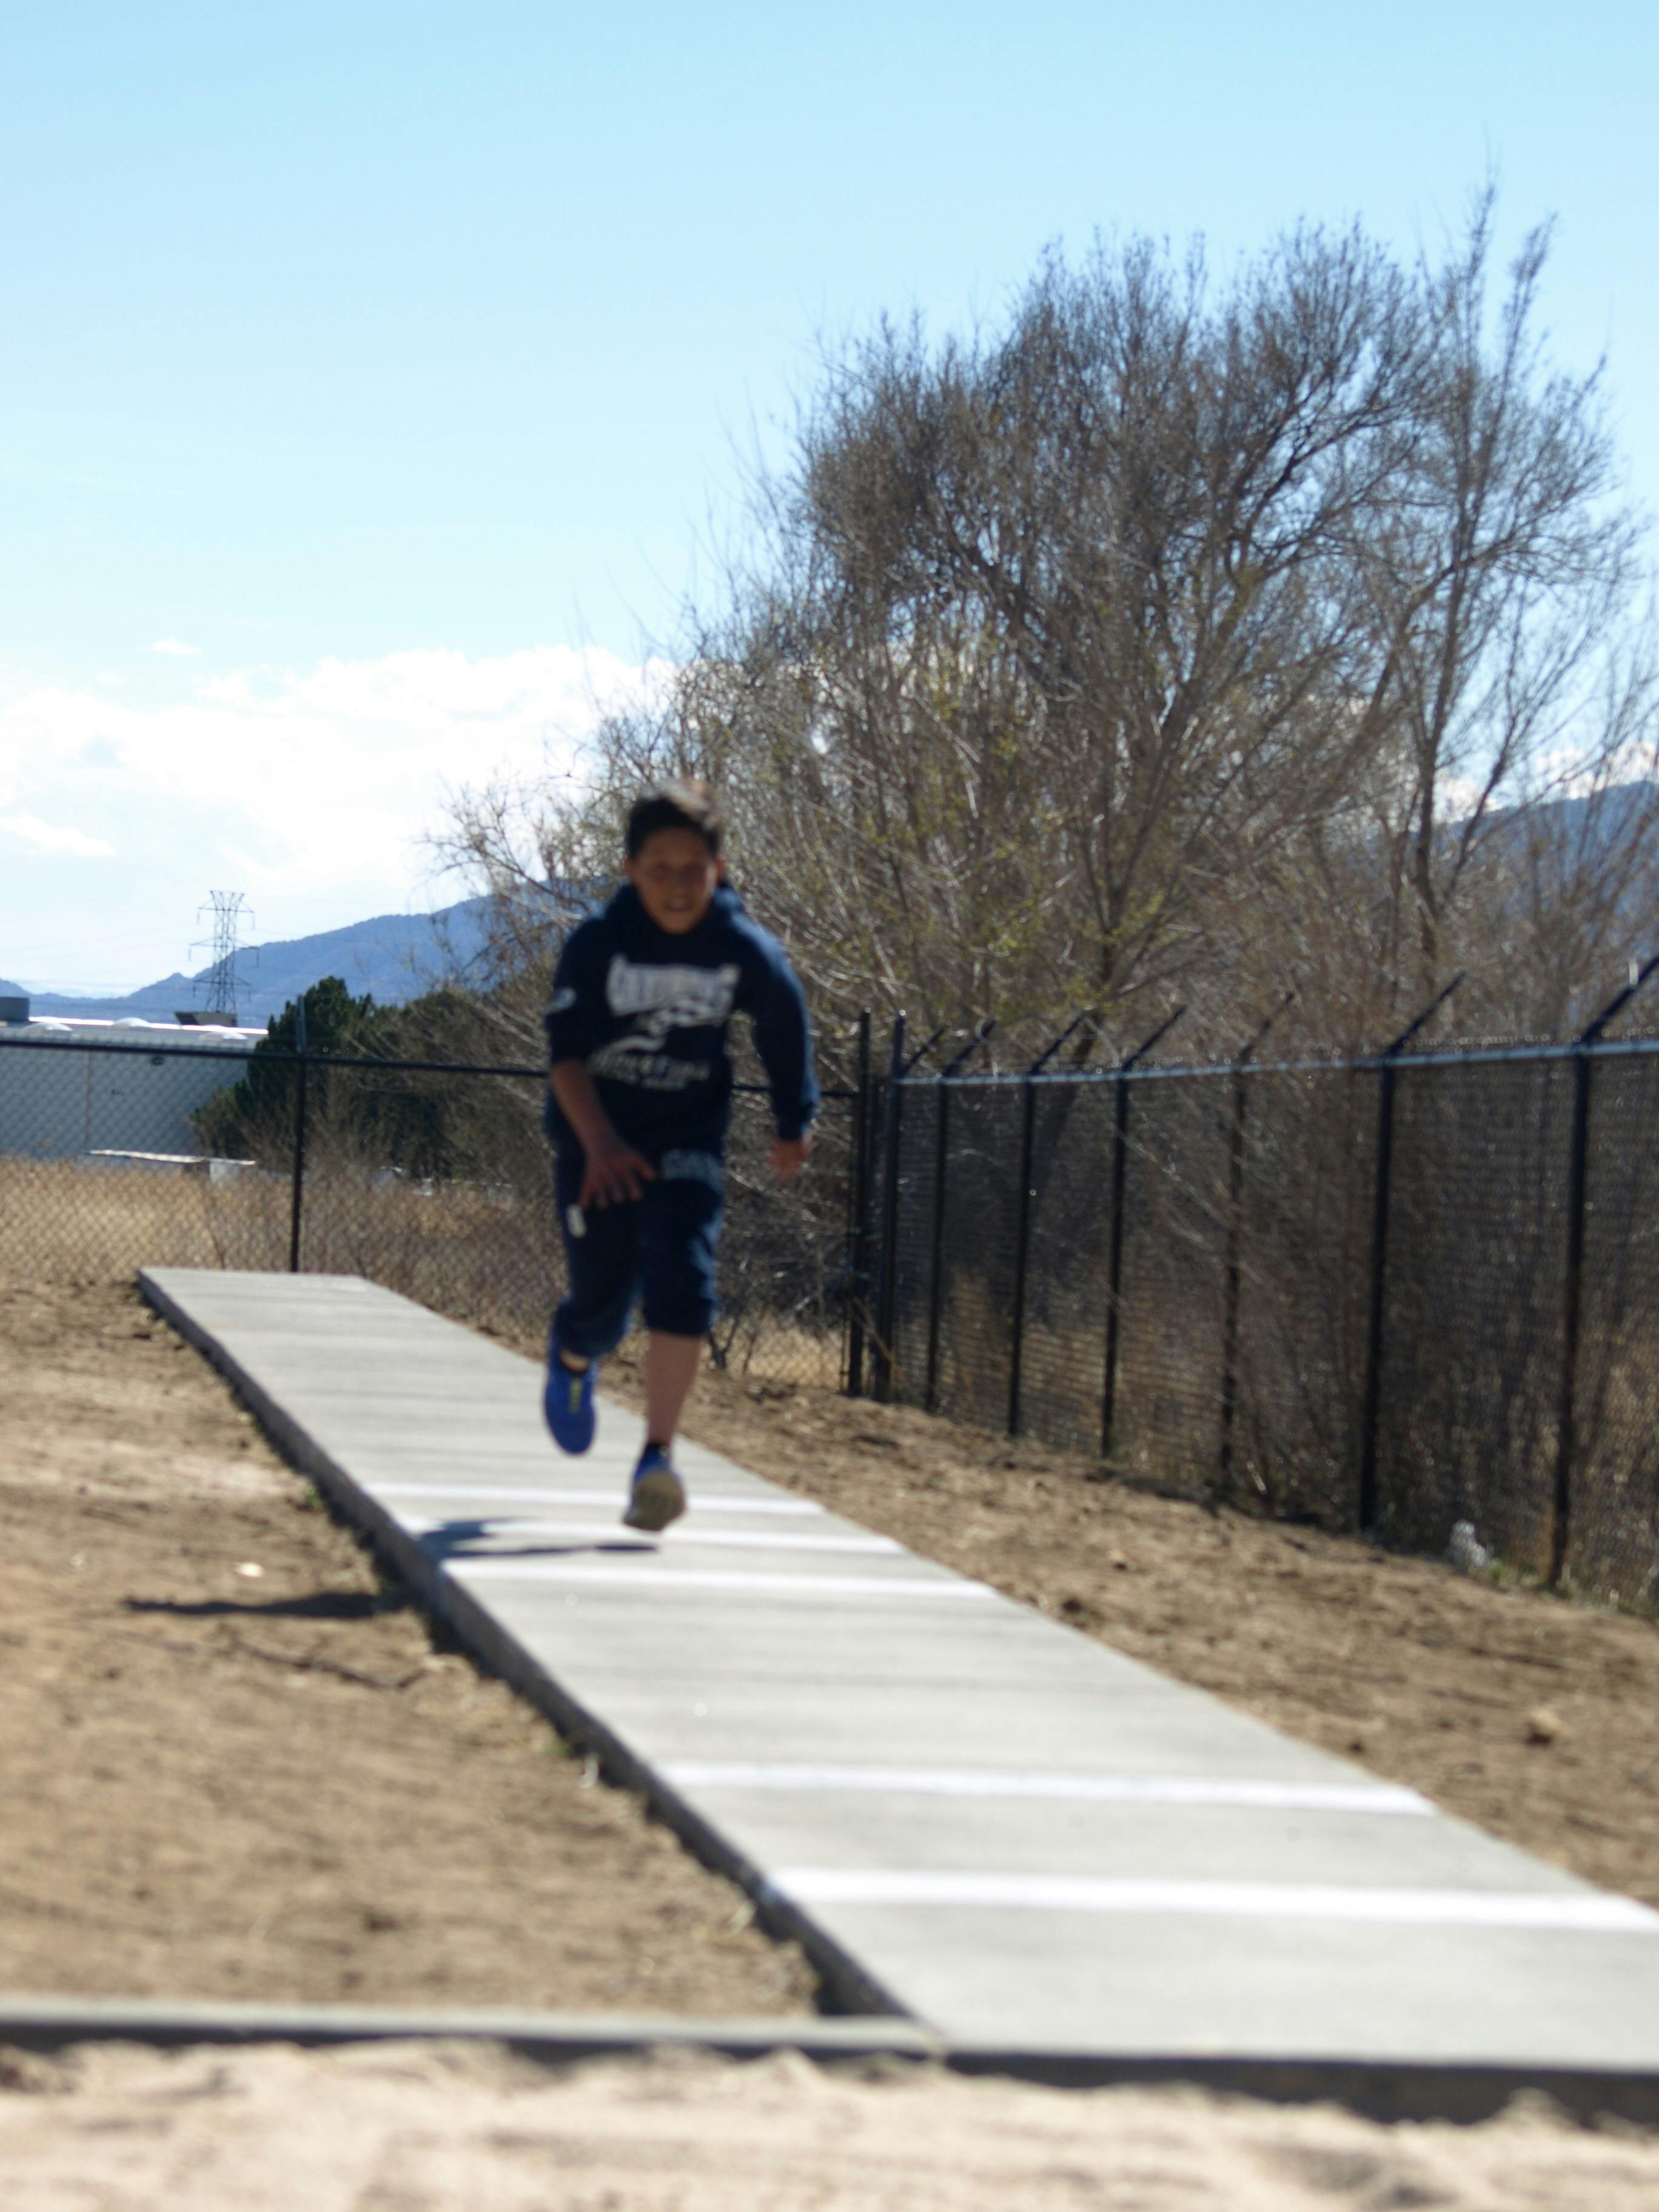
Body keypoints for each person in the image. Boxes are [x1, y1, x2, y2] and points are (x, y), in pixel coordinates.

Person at [541, 779, 818, 1530]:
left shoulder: (740, 948)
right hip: (597, 1137)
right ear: (630, 870)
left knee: (684, 1287)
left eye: (692, 869)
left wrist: (795, 1118)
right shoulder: (599, 942)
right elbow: (565, 1059)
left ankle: (656, 1459)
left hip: (687, 1140)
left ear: (718, 870)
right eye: (658, 869)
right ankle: (573, 1353)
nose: (675, 886)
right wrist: (598, 1144)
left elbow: (784, 1022)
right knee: (603, 1308)